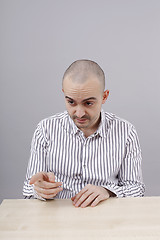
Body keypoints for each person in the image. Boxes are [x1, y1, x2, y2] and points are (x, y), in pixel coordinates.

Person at [23, 59, 145, 208]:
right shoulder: (45, 129)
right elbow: (28, 191)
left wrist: (108, 191)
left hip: (107, 219)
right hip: (58, 220)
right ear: (64, 94)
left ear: (104, 96)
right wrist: (39, 190)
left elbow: (137, 190)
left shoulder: (126, 132)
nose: (79, 113)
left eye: (88, 103)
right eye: (71, 102)